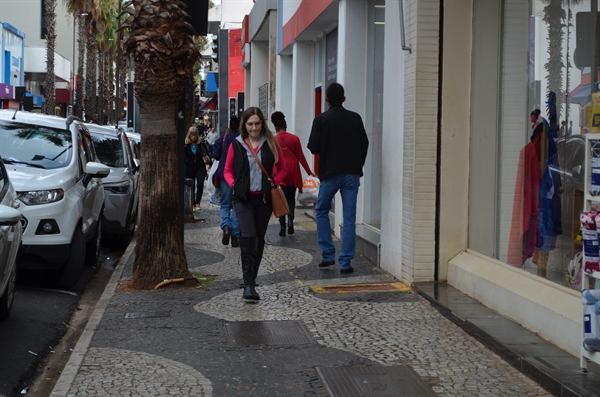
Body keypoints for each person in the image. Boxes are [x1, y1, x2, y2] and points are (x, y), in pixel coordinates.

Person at [224, 107, 286, 300]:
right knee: (248, 235)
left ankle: (252, 279)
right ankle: (248, 285)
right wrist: (234, 184)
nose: (253, 127)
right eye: (250, 124)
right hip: (243, 199)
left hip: (264, 200)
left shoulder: (271, 143)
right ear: (245, 125)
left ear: (262, 124)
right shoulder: (237, 144)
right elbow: (227, 170)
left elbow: (283, 168)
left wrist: (276, 181)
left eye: (257, 123)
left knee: (258, 239)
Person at [308, 83, 369, 274]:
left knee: (321, 210)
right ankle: (345, 262)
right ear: (344, 99)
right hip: (351, 174)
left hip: (330, 174)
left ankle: (328, 255)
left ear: (326, 99)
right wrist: (358, 165)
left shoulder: (321, 119)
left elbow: (313, 147)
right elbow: (364, 143)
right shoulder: (355, 118)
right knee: (349, 217)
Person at [271, 111, 315, 237]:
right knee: (291, 197)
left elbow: (272, 159)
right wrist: (309, 172)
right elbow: (301, 157)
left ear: (275, 127)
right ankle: (291, 220)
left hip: (280, 171)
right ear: (286, 125)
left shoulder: (273, 140)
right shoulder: (295, 139)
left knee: (280, 199)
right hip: (293, 169)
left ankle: (282, 225)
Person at [212, 115, 241, 247]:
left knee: (225, 204)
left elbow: (215, 154)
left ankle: (226, 226)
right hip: (240, 175)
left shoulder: (223, 138)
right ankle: (235, 235)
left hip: (225, 174)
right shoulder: (243, 138)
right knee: (237, 205)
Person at [184, 126, 210, 211]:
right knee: (191, 185)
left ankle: (197, 202)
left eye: (195, 134)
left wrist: (209, 165)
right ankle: (192, 203)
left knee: (200, 184)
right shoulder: (186, 145)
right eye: (192, 135)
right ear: (189, 135)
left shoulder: (201, 144)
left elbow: (206, 154)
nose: (193, 137)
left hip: (200, 167)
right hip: (189, 167)